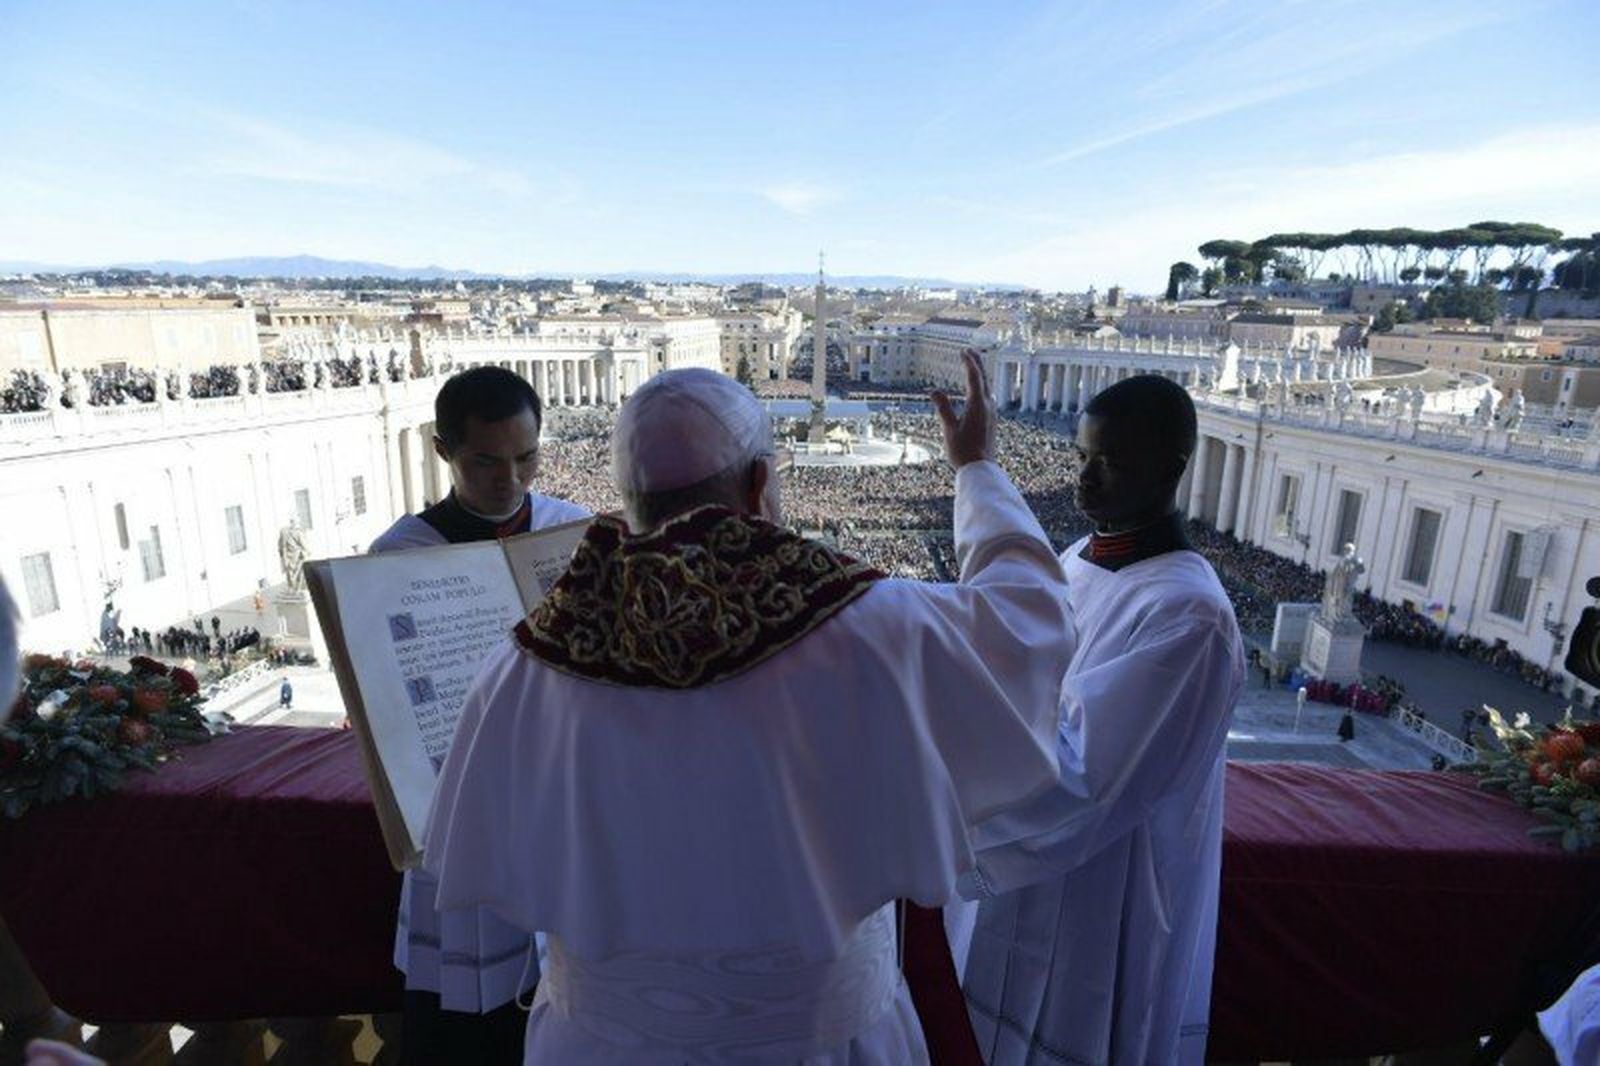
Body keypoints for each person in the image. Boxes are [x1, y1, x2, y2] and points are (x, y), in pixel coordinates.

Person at [424, 355, 1075, 1062]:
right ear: (763, 484)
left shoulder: (527, 660)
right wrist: (976, 468)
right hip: (816, 1043)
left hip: (600, 1044)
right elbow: (1031, 619)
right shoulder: (882, 625)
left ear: (625, 498)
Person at [956, 374, 1245, 1065]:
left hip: (1099, 894)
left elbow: (1083, 776)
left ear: (1171, 469)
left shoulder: (1189, 614)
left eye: (1110, 461)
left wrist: (937, 802)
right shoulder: (1078, 558)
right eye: (1082, 456)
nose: (1086, 479)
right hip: (1027, 870)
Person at [369, 365, 590, 1065]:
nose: (512, 479)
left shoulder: (571, 534)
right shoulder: (397, 557)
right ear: (444, 452)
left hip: (563, 794)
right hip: (459, 799)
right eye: (486, 461)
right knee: (467, 1020)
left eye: (526, 457)